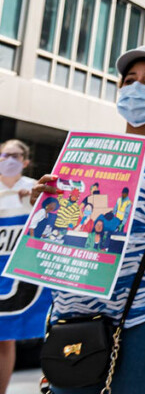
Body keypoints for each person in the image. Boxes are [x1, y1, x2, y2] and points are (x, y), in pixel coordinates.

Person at [30, 43, 145, 394]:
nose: (135, 87)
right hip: (71, 315)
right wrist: (44, 204)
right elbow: (68, 227)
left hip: (143, 317)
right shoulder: (89, 154)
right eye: (129, 80)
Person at [1, 138, 43, 394]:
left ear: (25, 161)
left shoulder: (34, 187)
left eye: (15, 156)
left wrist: (33, 200)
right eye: (5, 155)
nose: (9, 160)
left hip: (14, 271)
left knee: (5, 337)